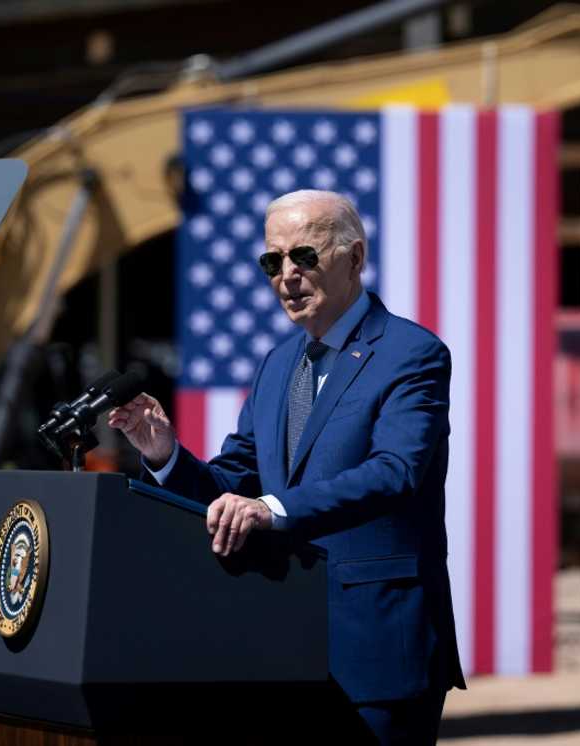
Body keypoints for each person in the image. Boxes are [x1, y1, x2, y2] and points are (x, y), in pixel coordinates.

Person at [108, 189, 464, 744]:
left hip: (376, 654)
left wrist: (272, 510)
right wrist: (162, 453)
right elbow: (231, 485)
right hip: (279, 650)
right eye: (272, 261)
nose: (287, 275)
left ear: (354, 259)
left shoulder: (410, 353)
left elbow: (398, 470)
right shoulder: (277, 365)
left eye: (304, 256)